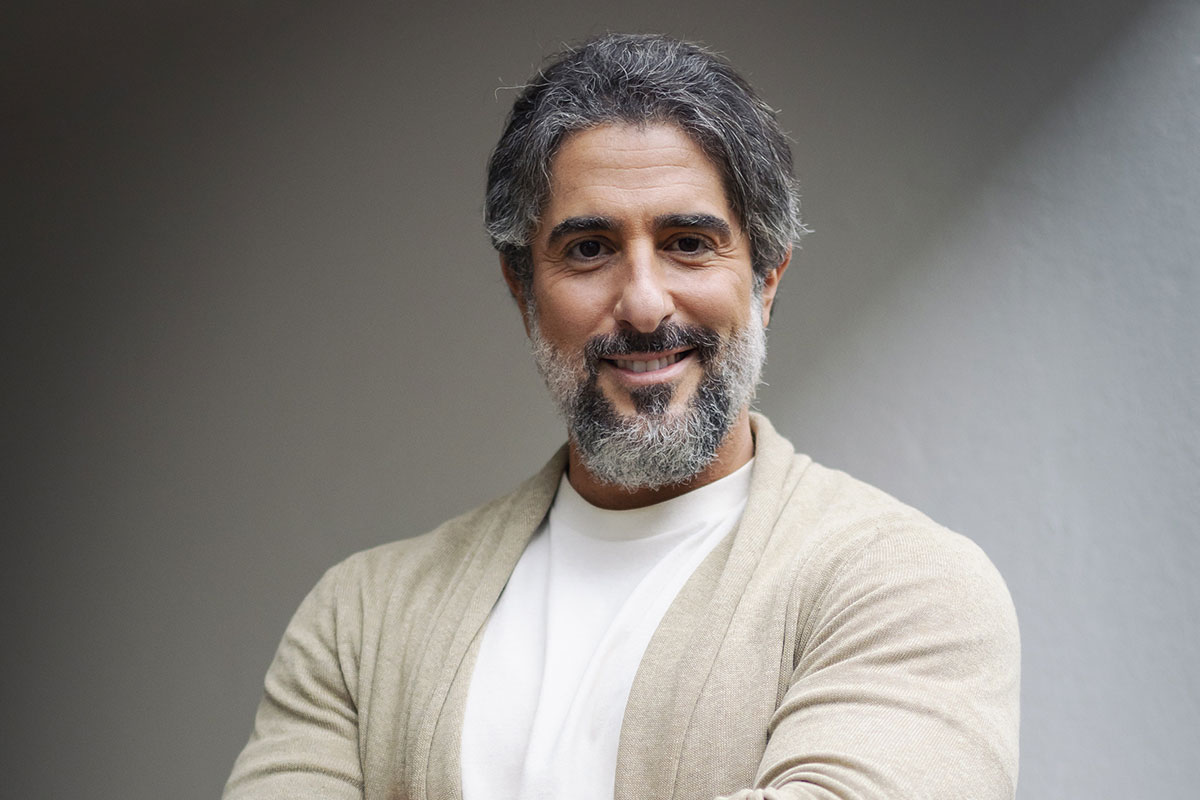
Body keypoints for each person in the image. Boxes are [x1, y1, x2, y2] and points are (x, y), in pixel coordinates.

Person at [223, 34, 1020, 800]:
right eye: (589, 249)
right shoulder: (363, 620)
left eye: (688, 243)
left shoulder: (903, 585)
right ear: (522, 287)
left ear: (767, 277)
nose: (643, 304)